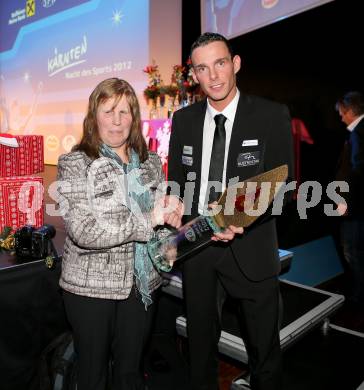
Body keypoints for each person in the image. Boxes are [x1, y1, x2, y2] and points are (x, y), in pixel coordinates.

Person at [168, 32, 294, 390]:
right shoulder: (184, 120)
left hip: (252, 249)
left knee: (264, 354)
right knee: (200, 351)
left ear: (235, 63)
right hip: (199, 253)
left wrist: (240, 219)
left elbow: (283, 185)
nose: (214, 76)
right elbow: (177, 182)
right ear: (194, 75)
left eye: (220, 63)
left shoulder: (270, 115)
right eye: (203, 68)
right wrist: (173, 204)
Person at [56, 78, 183, 390]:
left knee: (130, 374)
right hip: (90, 291)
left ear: (134, 118)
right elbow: (85, 230)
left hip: (141, 287)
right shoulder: (75, 163)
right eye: (108, 111)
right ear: (94, 115)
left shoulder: (152, 163)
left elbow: (159, 226)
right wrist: (150, 218)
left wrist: (170, 226)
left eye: (124, 112)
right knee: (92, 376)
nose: (116, 121)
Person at [335, 91, 364, 311]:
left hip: (355, 207)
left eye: (342, 113)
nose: (340, 117)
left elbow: (356, 172)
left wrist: (345, 203)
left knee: (351, 250)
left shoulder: (357, 134)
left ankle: (356, 298)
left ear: (351, 111)